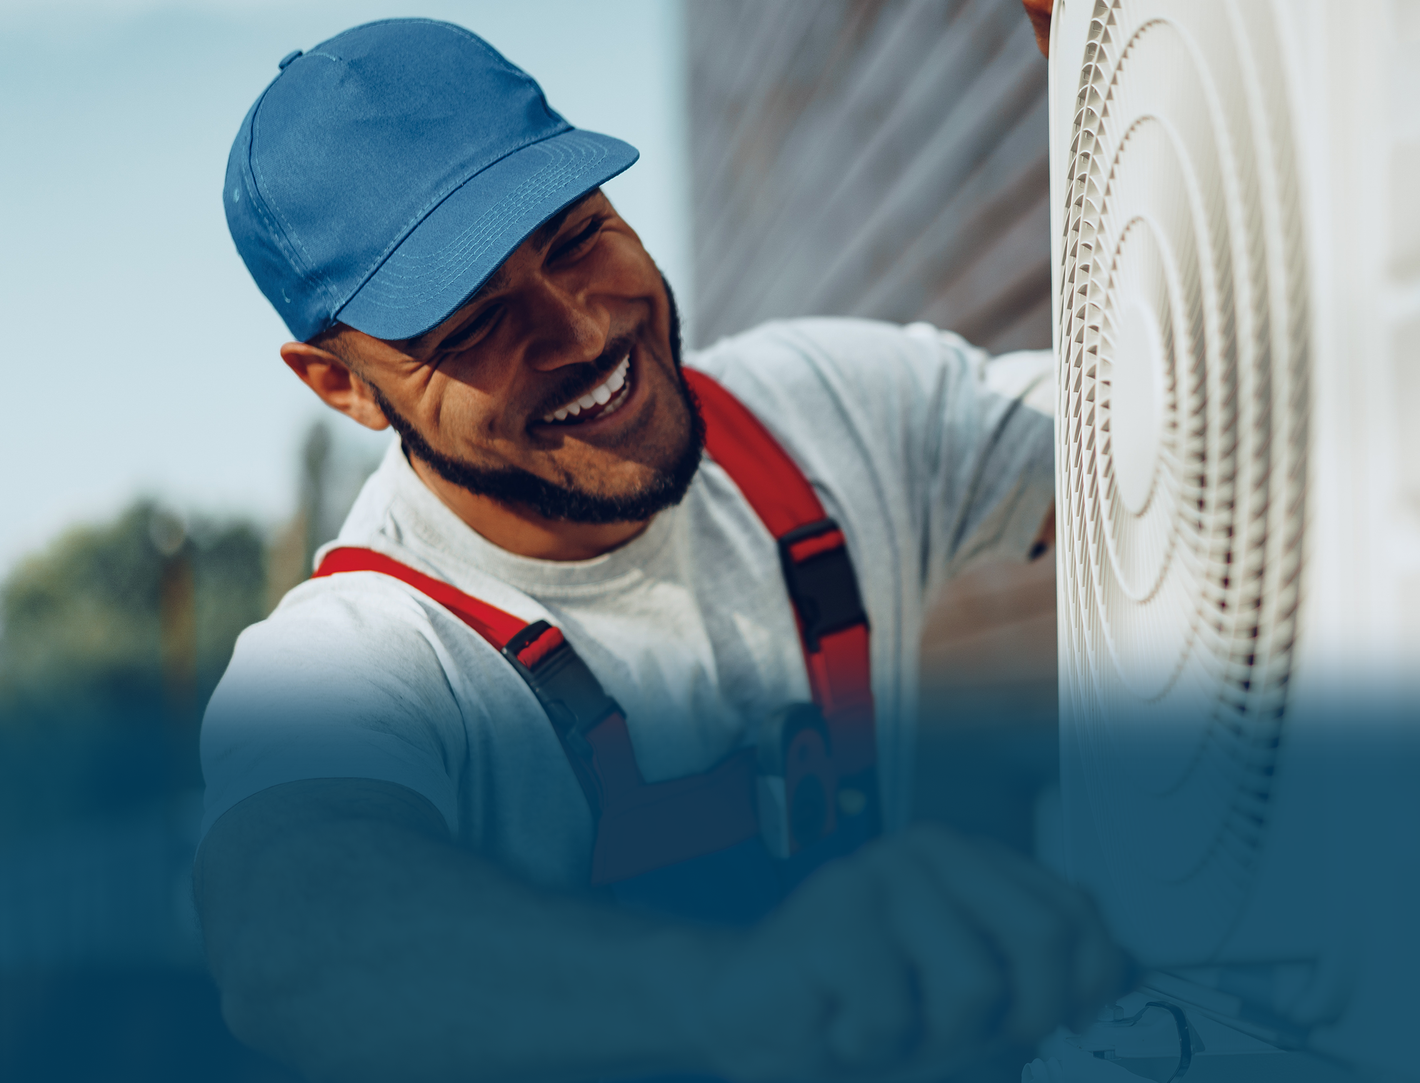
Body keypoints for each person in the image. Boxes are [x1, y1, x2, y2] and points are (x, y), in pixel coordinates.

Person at [193, 16, 1127, 1083]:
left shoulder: (826, 414)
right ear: (342, 384)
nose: (582, 332)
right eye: (471, 325)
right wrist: (739, 992)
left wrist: (1134, 76)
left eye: (575, 238)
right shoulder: (363, 650)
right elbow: (290, 933)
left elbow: (1181, 439)